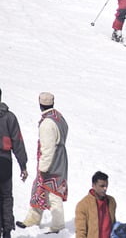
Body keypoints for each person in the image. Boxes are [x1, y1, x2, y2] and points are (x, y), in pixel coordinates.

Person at [16, 92, 69, 234]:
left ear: (40, 104)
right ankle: (32, 218)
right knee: (39, 189)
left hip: (52, 162)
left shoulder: (47, 123)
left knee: (53, 192)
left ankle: (58, 225)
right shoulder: (59, 117)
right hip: (60, 158)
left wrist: (43, 167)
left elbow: (48, 147)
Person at [0, 88, 28, 238]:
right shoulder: (10, 117)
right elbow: (18, 142)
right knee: (6, 196)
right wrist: (23, 165)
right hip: (5, 161)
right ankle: (7, 230)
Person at [75, 171, 117, 238]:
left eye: (106, 186)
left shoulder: (111, 201)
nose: (105, 189)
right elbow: (81, 231)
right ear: (93, 185)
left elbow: (114, 225)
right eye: (102, 186)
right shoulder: (83, 205)